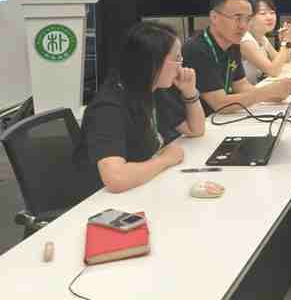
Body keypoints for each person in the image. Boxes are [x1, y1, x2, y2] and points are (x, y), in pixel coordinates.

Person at [75, 22, 205, 193]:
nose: (181, 64)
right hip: (107, 200)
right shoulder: (108, 108)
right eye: (177, 58)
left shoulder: (153, 87)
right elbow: (116, 178)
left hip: (144, 187)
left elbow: (195, 129)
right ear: (154, 62)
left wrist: (190, 92)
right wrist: (165, 160)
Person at [182, 0, 291, 114]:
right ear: (214, 17)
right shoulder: (197, 48)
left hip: (219, 118)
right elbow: (219, 104)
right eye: (237, 18)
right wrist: (267, 92)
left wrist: (274, 95)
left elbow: (241, 86)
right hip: (199, 121)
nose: (243, 26)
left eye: (247, 19)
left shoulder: (234, 44)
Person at [240, 0, 291, 84]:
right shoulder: (245, 41)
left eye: (272, 12)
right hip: (249, 91)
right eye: (263, 13)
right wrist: (286, 41)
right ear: (249, 18)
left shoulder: (262, 38)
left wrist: (285, 41)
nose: (269, 17)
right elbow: (273, 71)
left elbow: (285, 63)